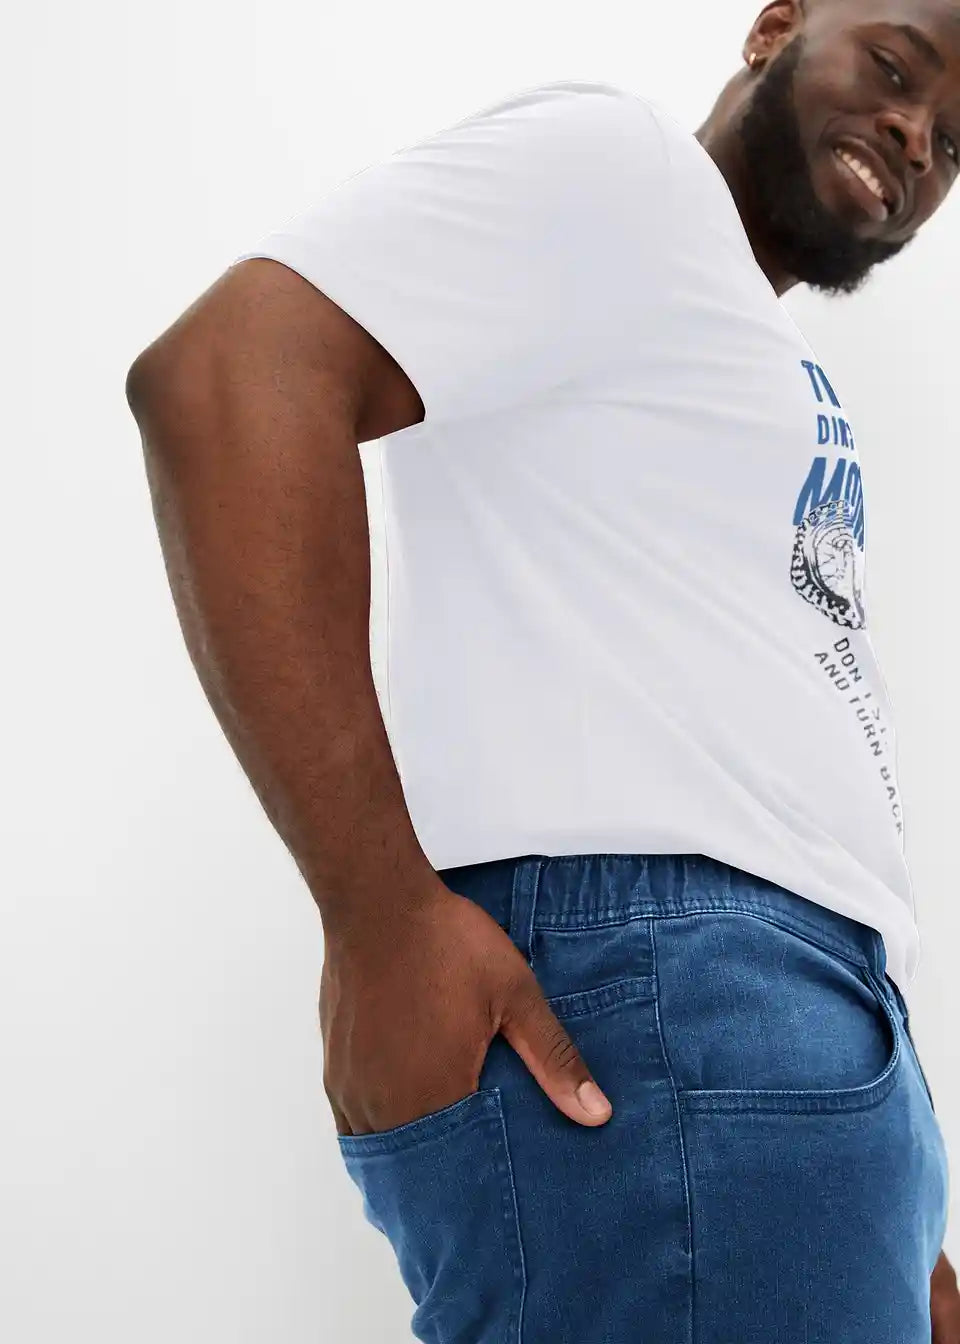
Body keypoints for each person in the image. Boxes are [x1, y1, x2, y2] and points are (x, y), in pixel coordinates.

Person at [125, 0, 959, 1338]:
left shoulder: (725, 333)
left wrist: (895, 1190)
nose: (917, 136)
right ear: (776, 28)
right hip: (677, 1024)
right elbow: (227, 376)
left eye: (953, 141)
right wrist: (378, 916)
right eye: (897, 65)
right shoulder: (627, 174)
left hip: (799, 1073)